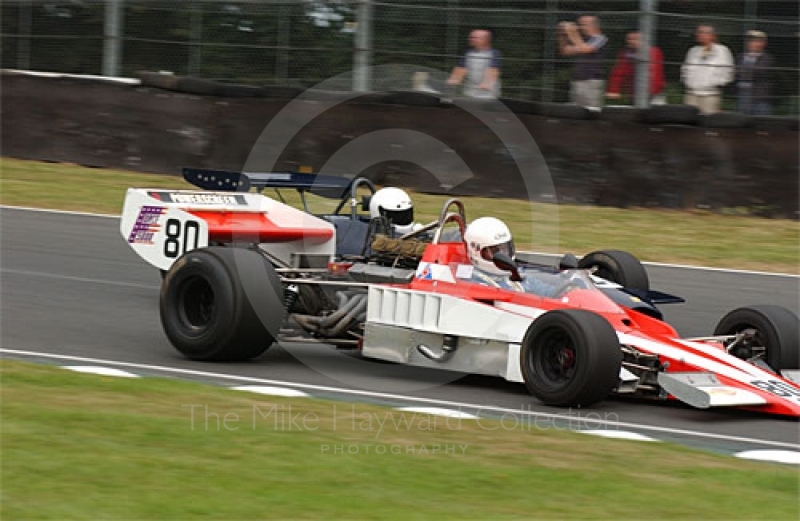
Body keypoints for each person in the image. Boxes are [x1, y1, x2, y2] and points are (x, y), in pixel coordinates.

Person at [680, 24, 734, 114]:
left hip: (710, 95)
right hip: (692, 94)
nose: (698, 35)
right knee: (690, 119)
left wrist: (717, 83)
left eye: (701, 32)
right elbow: (685, 69)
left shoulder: (722, 50)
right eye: (698, 32)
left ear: (711, 35)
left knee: (708, 121)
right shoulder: (693, 51)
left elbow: (728, 71)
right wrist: (688, 82)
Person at [558, 15, 609, 109]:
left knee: (592, 111)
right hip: (578, 80)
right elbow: (565, 51)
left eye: (583, 25)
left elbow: (586, 49)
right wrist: (563, 35)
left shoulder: (600, 38)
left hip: (592, 82)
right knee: (576, 111)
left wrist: (572, 33)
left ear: (593, 26)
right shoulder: (583, 40)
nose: (580, 27)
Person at [606, 31, 667, 105]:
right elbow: (618, 71)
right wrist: (614, 90)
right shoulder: (626, 54)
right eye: (629, 39)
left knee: (656, 112)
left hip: (654, 92)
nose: (631, 41)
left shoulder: (654, 52)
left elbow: (656, 72)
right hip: (635, 92)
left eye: (635, 39)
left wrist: (651, 90)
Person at [446, 29, 501, 98]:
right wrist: (454, 79)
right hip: (469, 92)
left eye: (474, 38)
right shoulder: (467, 53)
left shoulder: (494, 53)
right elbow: (460, 68)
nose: (470, 39)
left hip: (488, 93)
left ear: (485, 40)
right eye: (471, 37)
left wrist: (487, 83)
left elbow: (493, 70)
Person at [736, 30, 773, 115]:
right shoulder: (741, 56)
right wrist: (746, 71)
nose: (754, 44)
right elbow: (735, 72)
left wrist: (742, 71)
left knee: (760, 123)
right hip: (742, 95)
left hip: (760, 97)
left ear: (763, 44)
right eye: (752, 41)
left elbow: (760, 71)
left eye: (757, 41)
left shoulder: (767, 58)